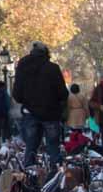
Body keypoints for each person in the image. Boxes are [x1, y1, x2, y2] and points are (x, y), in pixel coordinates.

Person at [12, 41, 69, 169]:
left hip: (30, 113)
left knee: (31, 147)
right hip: (51, 114)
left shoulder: (22, 66)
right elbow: (63, 93)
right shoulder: (53, 68)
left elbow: (16, 93)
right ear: (46, 53)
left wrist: (27, 102)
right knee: (53, 147)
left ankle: (29, 176)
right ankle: (55, 176)